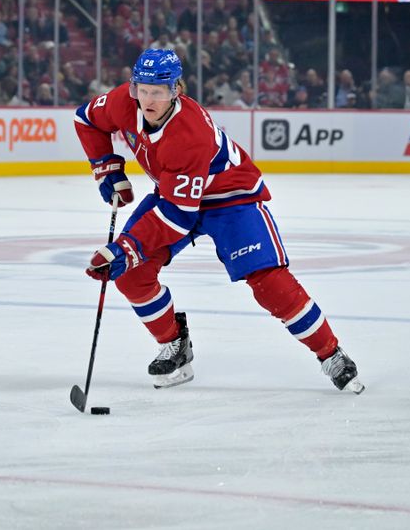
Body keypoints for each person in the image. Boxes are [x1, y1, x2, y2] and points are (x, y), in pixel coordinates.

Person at [74, 48, 364, 394]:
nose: (147, 99)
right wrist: (106, 168)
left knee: (268, 280)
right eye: (142, 89)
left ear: (175, 90)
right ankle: (175, 345)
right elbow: (86, 120)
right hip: (174, 193)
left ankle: (330, 353)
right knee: (132, 274)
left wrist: (126, 246)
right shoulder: (124, 100)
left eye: (158, 91)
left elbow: (177, 218)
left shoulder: (189, 134)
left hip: (230, 196)